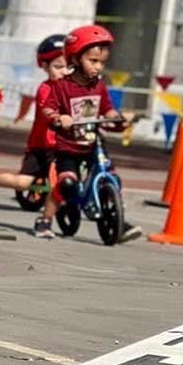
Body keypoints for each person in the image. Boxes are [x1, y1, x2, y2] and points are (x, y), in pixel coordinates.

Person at [43, 24, 142, 243]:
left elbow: (107, 110)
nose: (98, 67)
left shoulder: (99, 86)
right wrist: (60, 118)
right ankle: (46, 219)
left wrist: (119, 117)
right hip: (68, 147)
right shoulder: (62, 86)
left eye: (102, 62)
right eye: (93, 61)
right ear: (76, 59)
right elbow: (48, 109)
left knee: (112, 178)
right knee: (67, 183)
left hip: (92, 144)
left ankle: (117, 219)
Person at [0, 34, 68, 239]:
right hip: (42, 146)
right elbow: (48, 111)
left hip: (65, 145)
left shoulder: (73, 89)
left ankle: (46, 219)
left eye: (68, 67)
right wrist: (59, 117)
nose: (64, 71)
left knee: (64, 179)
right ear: (44, 66)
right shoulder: (45, 89)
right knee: (24, 183)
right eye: (58, 67)